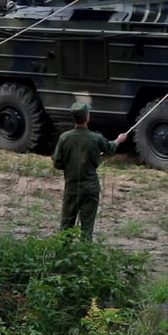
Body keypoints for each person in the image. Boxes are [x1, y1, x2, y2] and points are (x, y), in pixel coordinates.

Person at [52, 101, 128, 241]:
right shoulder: (95, 138)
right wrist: (119, 140)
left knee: (66, 226)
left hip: (72, 188)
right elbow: (110, 148)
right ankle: (85, 256)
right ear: (87, 117)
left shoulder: (64, 138)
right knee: (87, 228)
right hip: (90, 188)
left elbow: (57, 163)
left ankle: (62, 254)